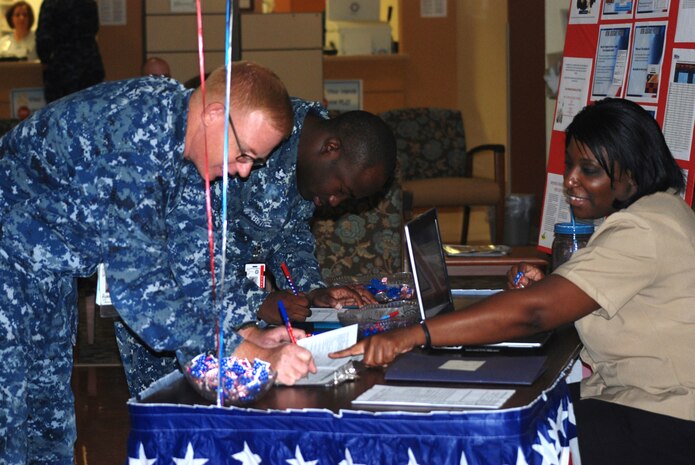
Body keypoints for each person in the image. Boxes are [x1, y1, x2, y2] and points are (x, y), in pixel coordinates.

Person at [331, 98, 695, 464]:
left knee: (492, 439)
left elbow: (535, 313)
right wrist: (554, 281)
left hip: (664, 420)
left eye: (589, 170)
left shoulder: (643, 228)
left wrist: (411, 335)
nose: (570, 180)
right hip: (637, 402)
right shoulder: (661, 210)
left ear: (631, 174)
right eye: (570, 165)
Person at [0, 61, 317, 465]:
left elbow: (194, 266)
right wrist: (248, 355)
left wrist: (248, 333)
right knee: (8, 424)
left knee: (48, 425)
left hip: (46, 270)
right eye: (243, 154)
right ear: (215, 114)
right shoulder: (138, 134)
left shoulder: (185, 148)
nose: (243, 171)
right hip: (8, 261)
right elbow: (140, 290)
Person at [115, 97, 398, 395]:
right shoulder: (256, 132)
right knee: (172, 411)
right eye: (341, 189)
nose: (334, 202)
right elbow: (196, 249)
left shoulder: (308, 160)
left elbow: (290, 232)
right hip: (171, 305)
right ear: (331, 148)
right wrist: (257, 303)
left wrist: (312, 291)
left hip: (236, 318)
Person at [35, 0, 105, 103]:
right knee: (91, 106)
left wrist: (45, 60)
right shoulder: (88, 2)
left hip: (62, 65)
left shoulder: (51, 3)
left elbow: (44, 38)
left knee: (61, 109)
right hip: (89, 62)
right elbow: (94, 28)